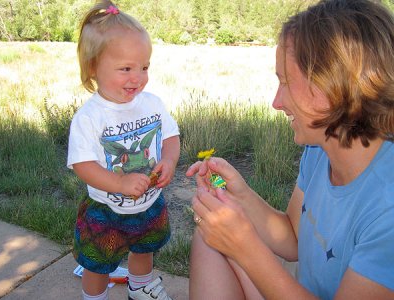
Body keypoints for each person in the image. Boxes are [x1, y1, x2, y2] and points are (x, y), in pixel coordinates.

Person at [186, 0, 394, 299]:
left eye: (285, 82)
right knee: (211, 238)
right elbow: (295, 240)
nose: (276, 102)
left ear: (333, 86)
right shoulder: (320, 149)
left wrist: (246, 249)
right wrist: (240, 195)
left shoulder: (388, 207)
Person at [67, 1, 180, 299]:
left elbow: (171, 135)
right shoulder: (90, 117)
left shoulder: (152, 103)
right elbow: (83, 164)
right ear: (93, 67)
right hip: (106, 210)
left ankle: (140, 289)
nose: (137, 77)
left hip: (149, 201)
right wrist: (119, 182)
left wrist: (169, 159)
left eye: (144, 67)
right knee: (98, 264)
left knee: (144, 250)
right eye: (126, 69)